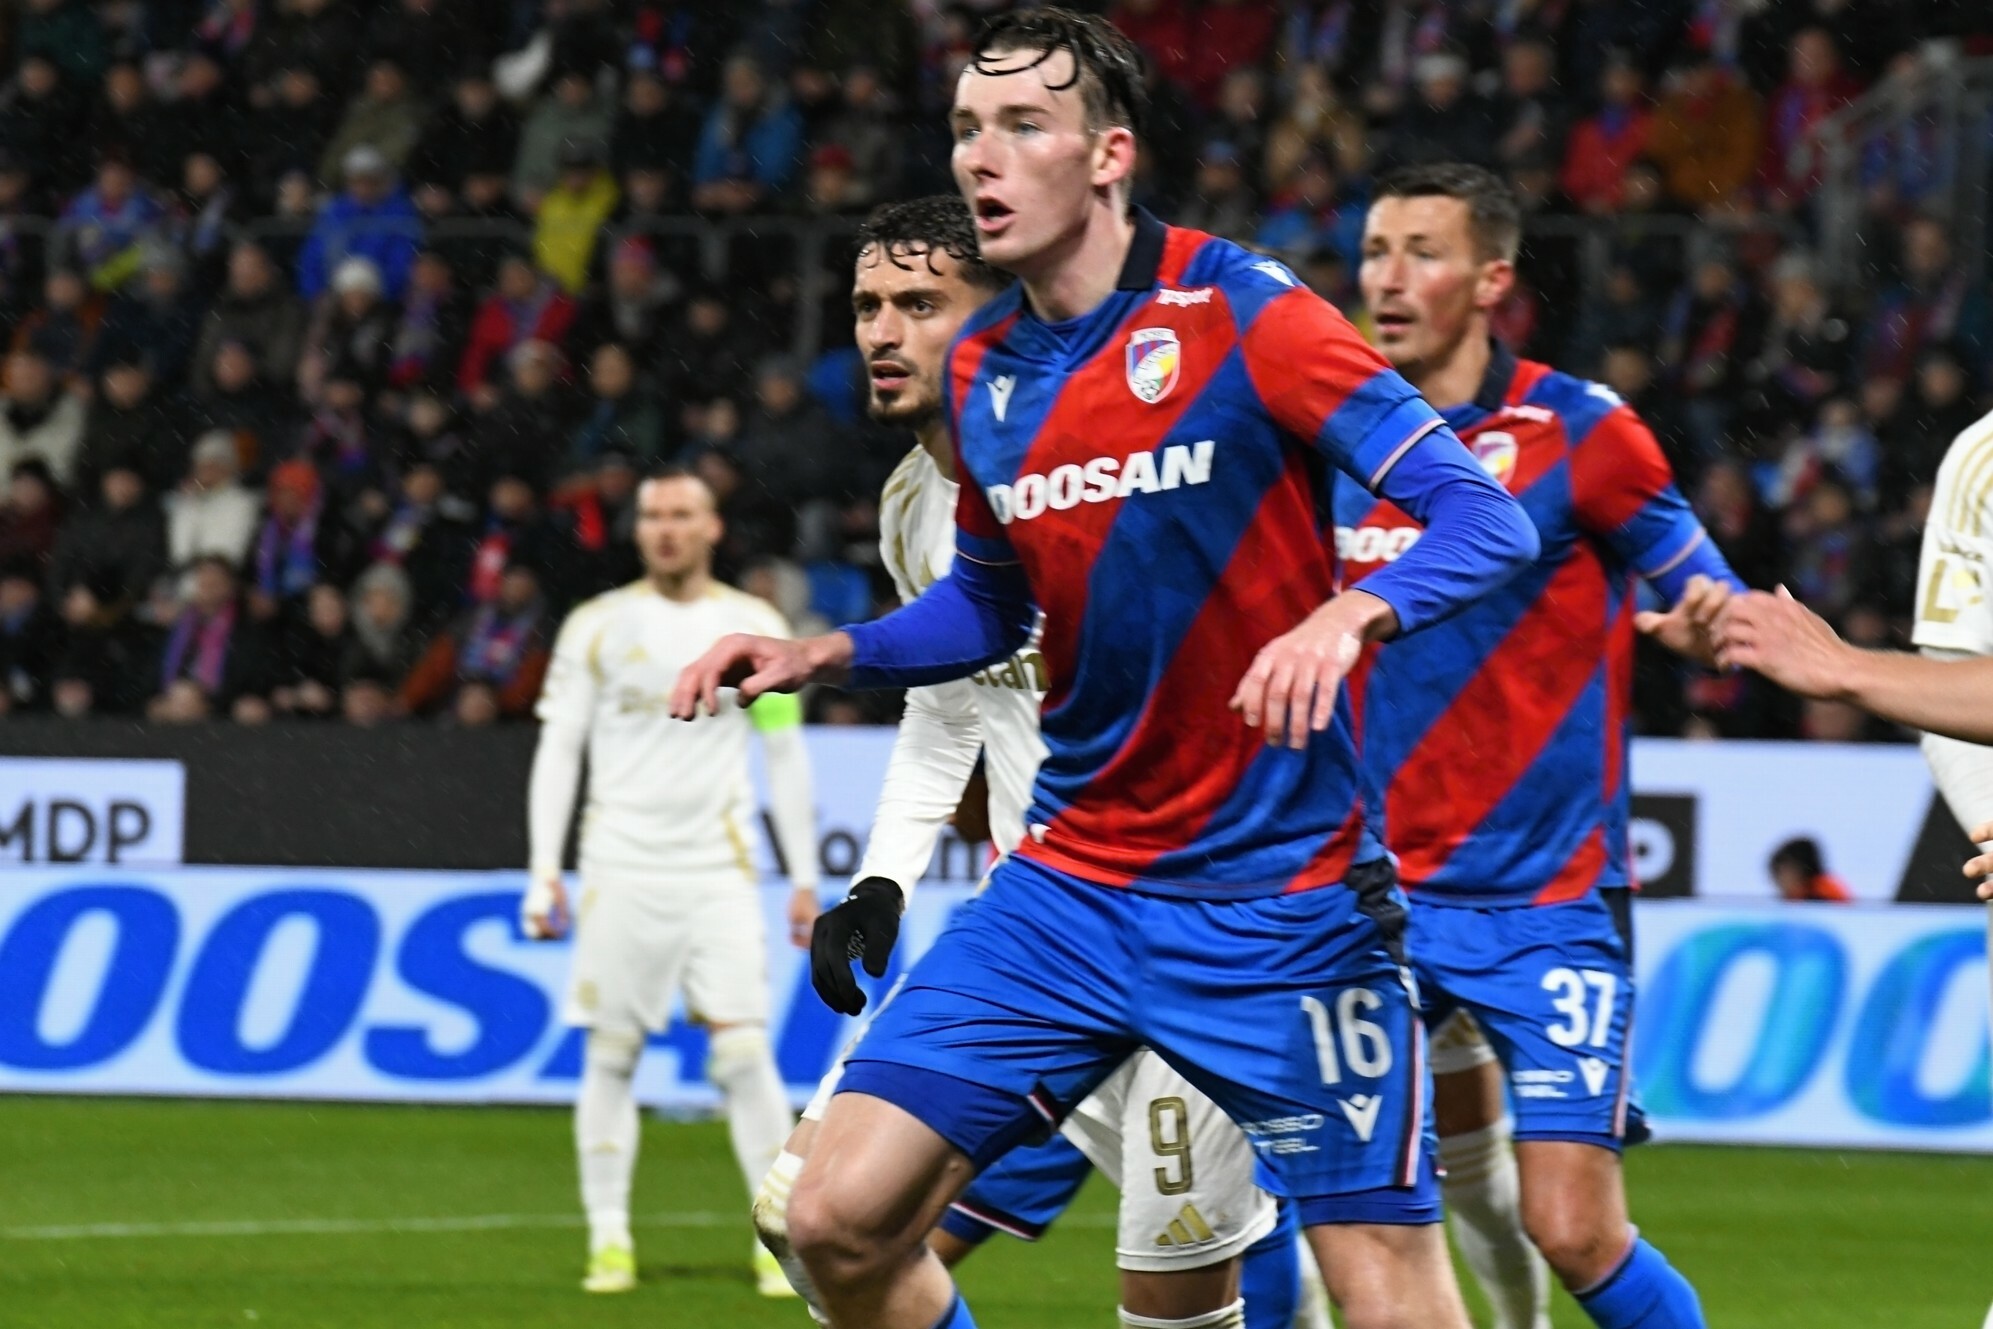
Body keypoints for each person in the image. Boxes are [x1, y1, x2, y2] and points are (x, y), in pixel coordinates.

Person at [672, 12, 1541, 1329]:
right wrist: (826, 651)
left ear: (1108, 155)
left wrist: (1350, 615)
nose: (981, 156)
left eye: (1022, 126)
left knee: (1379, 1284)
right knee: (829, 1221)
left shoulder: (1244, 310)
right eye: (967, 128)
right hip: (1068, 888)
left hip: (1274, 899)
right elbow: (986, 606)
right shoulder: (988, 373)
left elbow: (1482, 517)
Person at [749, 196, 1327, 1329]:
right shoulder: (913, 502)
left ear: (998, 317)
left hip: (1191, 914)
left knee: (1185, 1292)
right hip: (1041, 934)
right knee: (808, 1217)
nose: (882, 332)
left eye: (920, 304)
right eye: (867, 305)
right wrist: (882, 881)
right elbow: (948, 705)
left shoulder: (1126, 467)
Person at [1350, 162, 1742, 1329]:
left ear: (1492, 279)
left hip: (1549, 897)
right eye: (1373, 251)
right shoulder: (1325, 433)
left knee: (1571, 1225)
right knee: (1321, 1207)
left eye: (1422, 252)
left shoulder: (1583, 432)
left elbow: (1709, 594)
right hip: (1363, 896)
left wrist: (1706, 624)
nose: (1388, 278)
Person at [521, 467, 822, 1295]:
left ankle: (775, 1241)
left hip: (718, 867)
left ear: (712, 527)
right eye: (653, 514)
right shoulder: (595, 625)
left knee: (744, 1051)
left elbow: (784, 751)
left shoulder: (754, 625)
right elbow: (560, 748)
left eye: (682, 513)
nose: (666, 528)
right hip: (619, 863)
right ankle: (608, 1240)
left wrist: (804, 876)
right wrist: (544, 870)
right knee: (611, 1051)